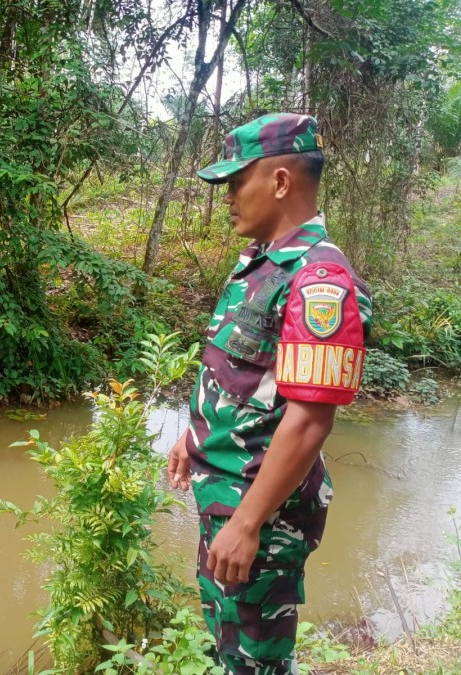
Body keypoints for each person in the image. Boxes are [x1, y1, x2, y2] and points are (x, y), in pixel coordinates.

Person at [167, 113, 372, 674]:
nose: (229, 198)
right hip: (227, 498)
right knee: (229, 647)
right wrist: (194, 435)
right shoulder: (261, 264)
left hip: (262, 512)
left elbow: (309, 420)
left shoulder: (319, 280)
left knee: (255, 662)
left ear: (280, 182)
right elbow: (241, 377)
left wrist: (247, 523)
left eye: (237, 182)